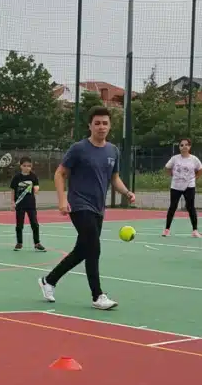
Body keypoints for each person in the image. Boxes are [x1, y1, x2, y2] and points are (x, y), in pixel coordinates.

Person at [36, 107, 135, 310]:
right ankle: (97, 295)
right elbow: (59, 173)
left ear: (110, 126)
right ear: (90, 125)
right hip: (79, 204)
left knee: (82, 250)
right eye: (97, 123)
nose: (101, 127)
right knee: (94, 248)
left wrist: (127, 193)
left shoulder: (113, 151)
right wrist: (62, 200)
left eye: (105, 123)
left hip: (98, 207)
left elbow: (114, 178)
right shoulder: (79, 149)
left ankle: (49, 280)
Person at [162, 138, 202, 238]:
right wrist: (171, 175)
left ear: (189, 147)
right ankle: (167, 229)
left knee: (190, 207)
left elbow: (201, 169)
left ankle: (195, 230)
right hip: (176, 186)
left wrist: (195, 177)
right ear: (179, 147)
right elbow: (167, 167)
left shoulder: (194, 159)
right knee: (173, 207)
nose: (184, 147)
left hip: (189, 186)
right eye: (182, 145)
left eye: (186, 145)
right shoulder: (175, 158)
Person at [10, 156, 44, 251]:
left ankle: (37, 243)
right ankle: (19, 243)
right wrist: (12, 202)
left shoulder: (33, 176)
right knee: (19, 225)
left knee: (34, 224)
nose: (27, 167)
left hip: (31, 205)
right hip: (20, 205)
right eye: (24, 166)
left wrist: (36, 188)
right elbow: (13, 190)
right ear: (21, 166)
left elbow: (36, 187)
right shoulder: (17, 177)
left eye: (29, 166)